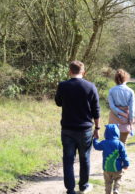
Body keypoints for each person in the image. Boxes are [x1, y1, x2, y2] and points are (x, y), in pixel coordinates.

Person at [55, 60, 100, 194]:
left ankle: (70, 189)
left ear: (70, 71)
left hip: (67, 129)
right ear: (83, 72)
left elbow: (58, 103)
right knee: (84, 158)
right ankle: (83, 186)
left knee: (68, 159)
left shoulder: (63, 85)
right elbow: (96, 110)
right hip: (85, 130)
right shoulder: (91, 87)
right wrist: (97, 129)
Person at [93, 124, 130, 194]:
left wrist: (95, 139)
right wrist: (126, 164)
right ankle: (116, 189)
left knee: (108, 182)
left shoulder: (104, 143)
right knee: (118, 178)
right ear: (117, 133)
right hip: (117, 168)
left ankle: (108, 192)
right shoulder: (120, 144)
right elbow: (124, 155)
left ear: (106, 133)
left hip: (106, 168)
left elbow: (96, 146)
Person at [108, 69, 135, 144]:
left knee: (113, 143)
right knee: (123, 144)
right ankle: (121, 155)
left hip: (113, 118)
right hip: (125, 119)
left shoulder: (111, 90)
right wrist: (131, 119)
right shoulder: (130, 91)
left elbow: (112, 107)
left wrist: (120, 113)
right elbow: (132, 108)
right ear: (126, 78)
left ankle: (114, 156)